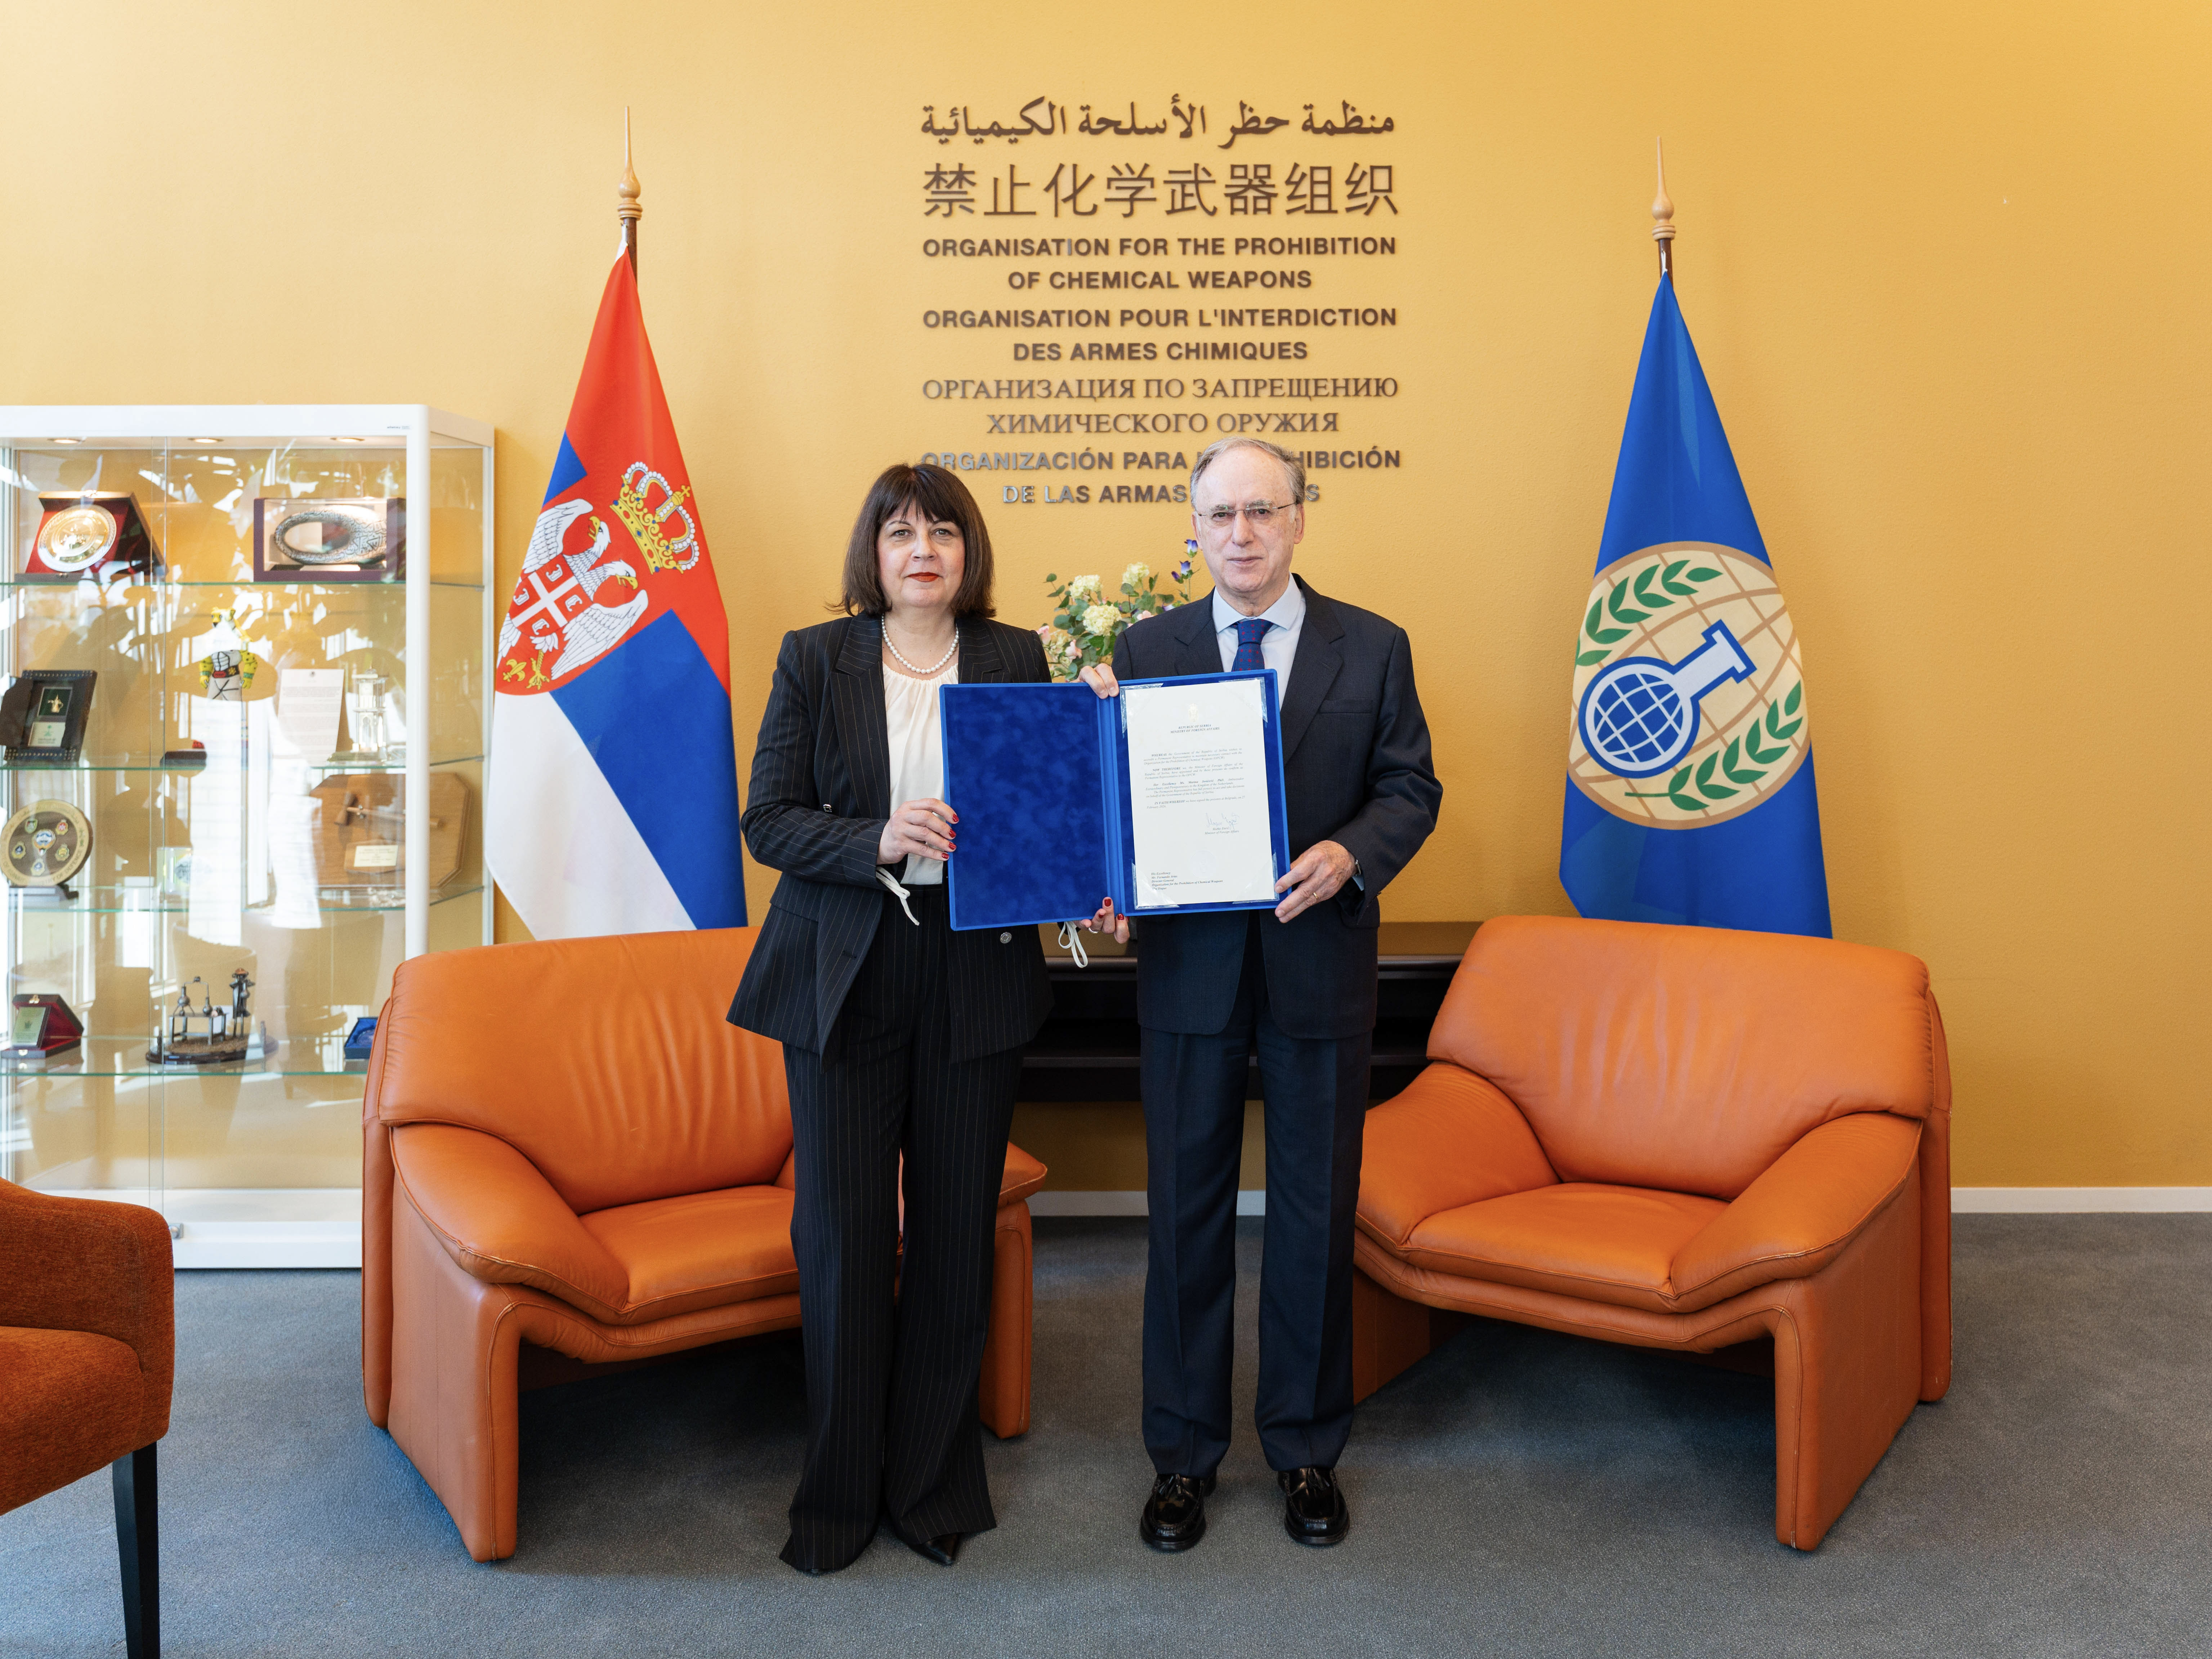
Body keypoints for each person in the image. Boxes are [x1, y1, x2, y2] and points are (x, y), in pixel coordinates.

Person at [1080, 435, 1440, 1552]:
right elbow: (1116, 799)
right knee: (1185, 1214)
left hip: (1317, 964)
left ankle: (1305, 1450)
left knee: (1313, 1213)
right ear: (1194, 530)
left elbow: (1411, 787)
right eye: (1220, 515)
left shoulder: (1373, 646)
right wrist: (1109, 878)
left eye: (1262, 511)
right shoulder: (1145, 650)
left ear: (1299, 518)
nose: (1241, 533)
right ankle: (1183, 1458)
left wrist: (1351, 854)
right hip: (1188, 972)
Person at [728, 461, 1053, 1575]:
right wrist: (875, 836)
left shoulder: (1016, 658)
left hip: (975, 968)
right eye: (901, 532)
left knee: (957, 1237)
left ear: (970, 552)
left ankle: (931, 1485)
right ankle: (837, 1494)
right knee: (844, 1240)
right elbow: (767, 821)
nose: (924, 551)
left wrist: (1090, 798)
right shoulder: (815, 657)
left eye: (944, 532)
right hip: (846, 971)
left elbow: (1039, 814)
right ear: (873, 553)